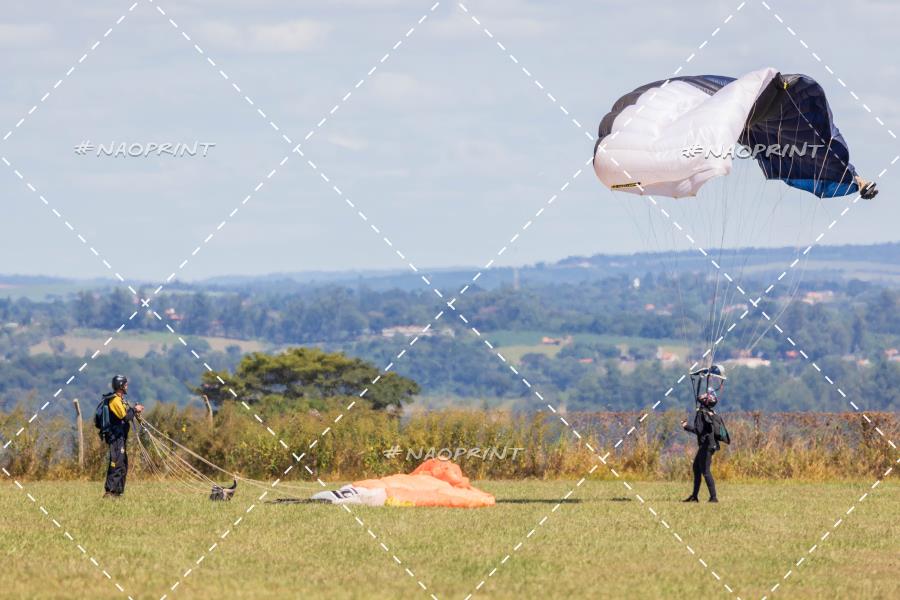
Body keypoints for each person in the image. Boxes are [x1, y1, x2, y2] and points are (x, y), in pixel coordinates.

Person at [681, 365, 725, 503]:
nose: (702, 395)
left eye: (704, 395)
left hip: (707, 445)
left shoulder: (702, 413)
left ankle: (714, 498)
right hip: (708, 445)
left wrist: (686, 427)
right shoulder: (709, 412)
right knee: (696, 468)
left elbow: (698, 431)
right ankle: (694, 496)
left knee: (705, 471)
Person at [102, 375, 143, 498]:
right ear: (120, 386)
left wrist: (134, 411)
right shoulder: (114, 400)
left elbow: (126, 414)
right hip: (115, 438)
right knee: (116, 463)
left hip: (121, 437)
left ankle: (118, 492)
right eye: (125, 385)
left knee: (123, 464)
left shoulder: (121, 400)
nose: (127, 386)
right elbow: (124, 417)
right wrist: (134, 410)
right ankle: (110, 492)